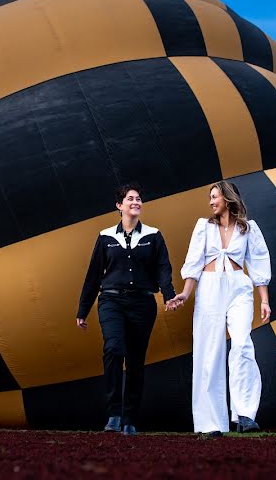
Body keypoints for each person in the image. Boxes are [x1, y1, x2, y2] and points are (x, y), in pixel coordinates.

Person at [76, 182, 179, 436]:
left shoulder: (154, 236)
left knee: (135, 361)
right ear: (119, 206)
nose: (136, 202)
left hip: (142, 304)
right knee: (114, 348)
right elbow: (93, 275)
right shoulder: (105, 237)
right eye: (130, 199)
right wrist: (82, 310)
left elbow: (163, 269)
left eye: (139, 199)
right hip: (111, 301)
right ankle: (113, 414)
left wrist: (169, 295)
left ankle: (130, 419)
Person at [171, 180, 272, 434]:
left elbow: (259, 263)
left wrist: (265, 300)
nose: (211, 201)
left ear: (227, 198)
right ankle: (211, 423)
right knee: (209, 352)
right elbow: (194, 262)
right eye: (210, 197)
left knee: (242, 343)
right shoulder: (203, 227)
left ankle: (245, 415)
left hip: (239, 287)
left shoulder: (248, 229)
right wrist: (185, 293)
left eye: (215, 196)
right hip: (210, 288)